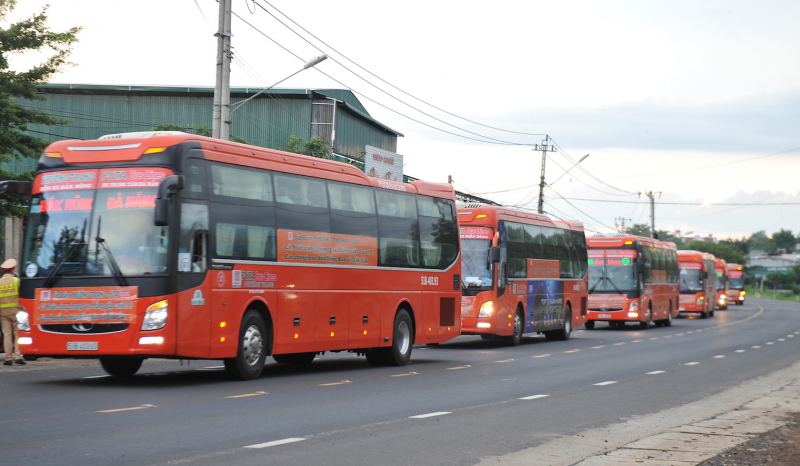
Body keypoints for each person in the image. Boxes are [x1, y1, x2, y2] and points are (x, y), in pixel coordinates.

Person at [0, 258, 25, 365]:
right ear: (12, 269)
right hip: (15, 311)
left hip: (3, 312)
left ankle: (8, 359)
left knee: (7, 335)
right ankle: (18, 357)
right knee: (17, 333)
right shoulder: (16, 280)